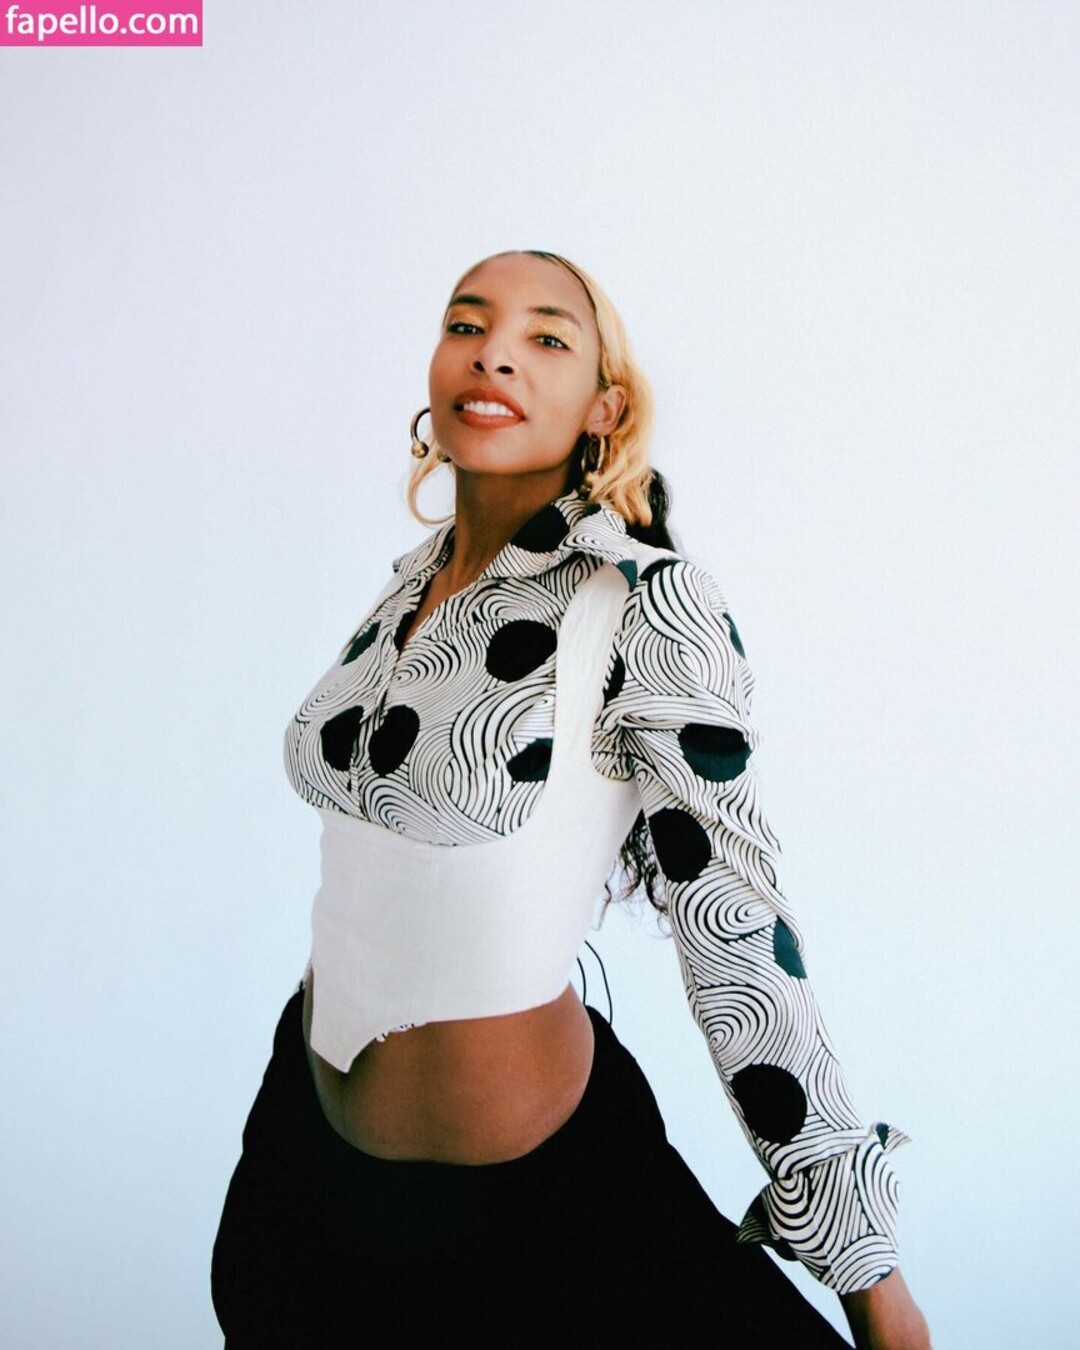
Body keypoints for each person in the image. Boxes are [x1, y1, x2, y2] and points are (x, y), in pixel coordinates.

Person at [211, 249, 931, 1348]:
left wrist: (868, 1270)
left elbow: (736, 929)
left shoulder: (646, 601)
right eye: (467, 324)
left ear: (606, 408)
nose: (494, 352)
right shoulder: (409, 584)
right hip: (302, 1180)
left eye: (547, 337)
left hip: (538, 1229)